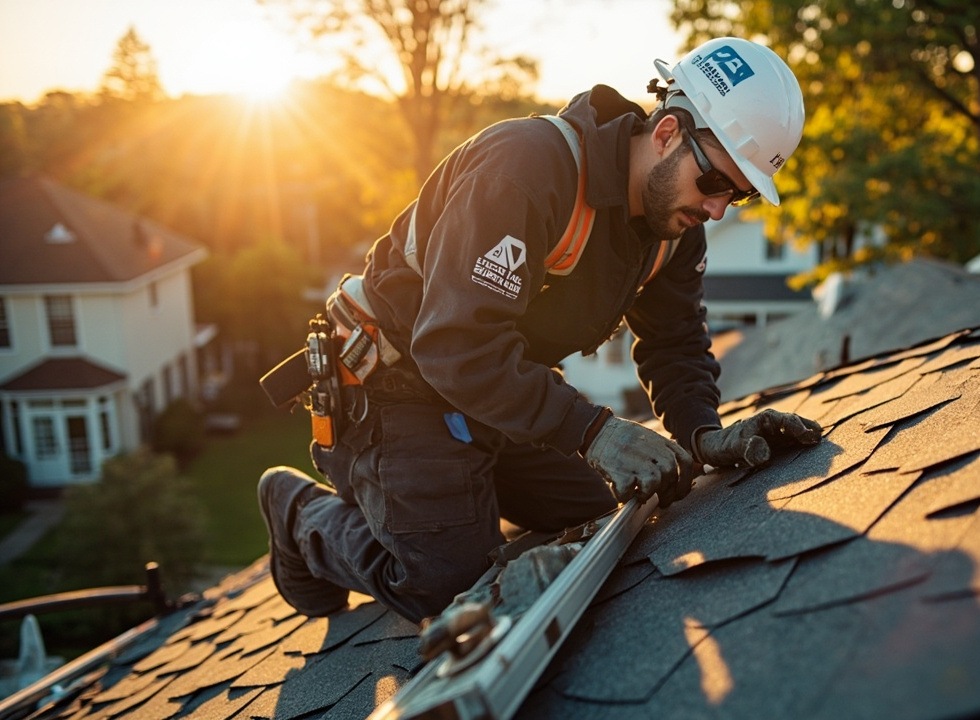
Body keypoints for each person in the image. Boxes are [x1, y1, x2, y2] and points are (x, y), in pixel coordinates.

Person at [258, 36, 824, 624]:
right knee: (448, 584)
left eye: (740, 194)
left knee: (632, 501)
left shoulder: (672, 231)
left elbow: (674, 343)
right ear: (667, 133)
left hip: (493, 400)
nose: (718, 210)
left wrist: (704, 436)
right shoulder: (525, 170)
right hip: (395, 392)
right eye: (714, 184)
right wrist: (591, 431)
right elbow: (455, 345)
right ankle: (299, 513)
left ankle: (458, 493)